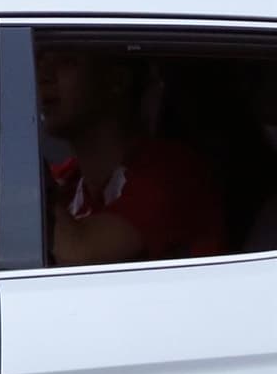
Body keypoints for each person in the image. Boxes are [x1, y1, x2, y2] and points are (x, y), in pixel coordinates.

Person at [37, 46, 224, 265]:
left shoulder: (173, 173)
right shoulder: (71, 178)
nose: (43, 76)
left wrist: (6, 144)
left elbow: (78, 251)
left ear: (117, 79)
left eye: (67, 61)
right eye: (40, 60)